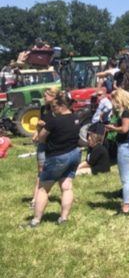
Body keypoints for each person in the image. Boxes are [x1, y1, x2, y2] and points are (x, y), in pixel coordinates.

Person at [28, 91, 81, 227]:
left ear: (62, 105)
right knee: (67, 187)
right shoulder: (76, 117)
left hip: (57, 156)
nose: (53, 109)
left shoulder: (53, 120)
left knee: (43, 189)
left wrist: (39, 128)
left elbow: (41, 139)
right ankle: (63, 219)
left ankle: (36, 221)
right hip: (75, 154)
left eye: (55, 107)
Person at [105, 88, 129, 215]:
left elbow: (124, 129)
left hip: (126, 144)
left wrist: (113, 128)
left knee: (125, 179)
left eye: (114, 100)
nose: (113, 103)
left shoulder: (126, 112)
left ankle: (125, 207)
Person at [30, 87, 59, 209]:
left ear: (53, 97)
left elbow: (60, 125)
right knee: (41, 171)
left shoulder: (59, 109)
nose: (44, 98)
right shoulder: (43, 109)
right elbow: (40, 125)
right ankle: (35, 198)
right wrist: (37, 131)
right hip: (43, 142)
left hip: (55, 142)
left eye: (46, 95)